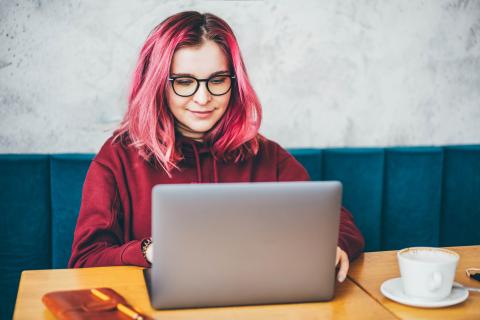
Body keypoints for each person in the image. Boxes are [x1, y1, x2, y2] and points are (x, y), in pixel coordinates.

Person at [68, 11, 364, 283]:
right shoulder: (118, 157)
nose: (202, 97)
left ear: (234, 83)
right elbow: (85, 260)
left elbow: (338, 223)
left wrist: (335, 246)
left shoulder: (265, 155)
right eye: (184, 82)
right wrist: (148, 251)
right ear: (157, 84)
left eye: (217, 80)